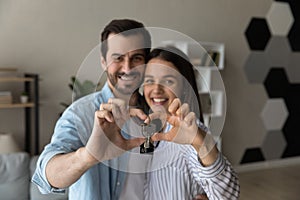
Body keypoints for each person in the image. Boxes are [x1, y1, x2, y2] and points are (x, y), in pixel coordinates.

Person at [32, 19, 152, 199]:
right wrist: (88, 157)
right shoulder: (80, 114)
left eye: (136, 58)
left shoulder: (156, 114)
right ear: (103, 62)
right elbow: (46, 176)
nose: (127, 68)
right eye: (118, 58)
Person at [99, 46, 240, 199]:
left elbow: (227, 196)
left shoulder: (191, 133)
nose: (157, 89)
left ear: (185, 87)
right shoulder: (149, 127)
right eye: (149, 80)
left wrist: (200, 142)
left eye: (168, 81)